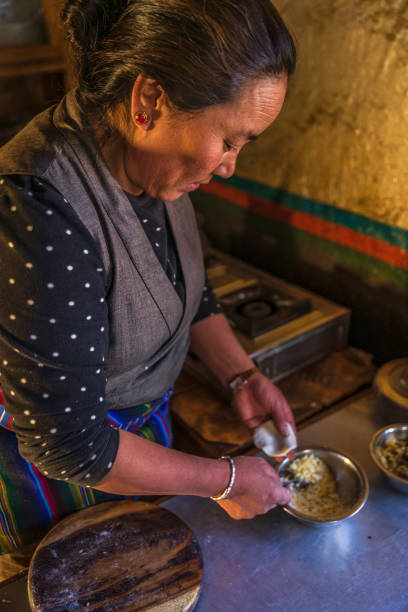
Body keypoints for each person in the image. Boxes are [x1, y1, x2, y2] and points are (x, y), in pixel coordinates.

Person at [0, 0, 297, 554]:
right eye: (229, 140)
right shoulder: (41, 203)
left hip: (142, 446)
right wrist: (225, 481)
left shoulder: (157, 165)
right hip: (61, 480)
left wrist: (240, 376)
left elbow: (187, 284)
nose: (231, 165)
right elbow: (69, 443)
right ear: (149, 101)